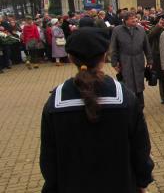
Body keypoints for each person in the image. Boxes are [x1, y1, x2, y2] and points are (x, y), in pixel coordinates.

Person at [40, 27, 154, 193]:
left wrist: (53, 185)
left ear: (71, 58)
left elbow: (48, 159)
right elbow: (141, 149)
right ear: (104, 56)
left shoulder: (55, 102)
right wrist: (142, 181)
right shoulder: (126, 98)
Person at [111, 12, 153, 109]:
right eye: (131, 19)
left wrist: (150, 60)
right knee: (127, 84)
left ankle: (140, 106)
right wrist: (114, 62)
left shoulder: (141, 30)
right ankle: (128, 107)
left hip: (138, 60)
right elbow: (113, 47)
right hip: (125, 61)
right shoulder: (117, 30)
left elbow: (146, 46)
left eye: (135, 18)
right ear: (125, 21)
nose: (135, 20)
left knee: (139, 84)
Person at [148, 12, 164, 104]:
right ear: (159, 20)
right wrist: (159, 26)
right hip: (159, 56)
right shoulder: (155, 28)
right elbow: (150, 36)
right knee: (162, 78)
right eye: (163, 20)